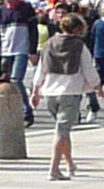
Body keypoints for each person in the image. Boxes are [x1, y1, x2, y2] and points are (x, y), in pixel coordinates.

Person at [34, 10, 95, 179]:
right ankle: (54, 169)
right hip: (70, 91)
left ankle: (69, 163)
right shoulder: (79, 46)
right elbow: (88, 69)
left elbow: (42, 68)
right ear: (76, 29)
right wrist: (97, 86)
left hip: (50, 92)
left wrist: (35, 90)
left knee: (63, 130)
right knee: (61, 131)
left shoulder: (49, 44)